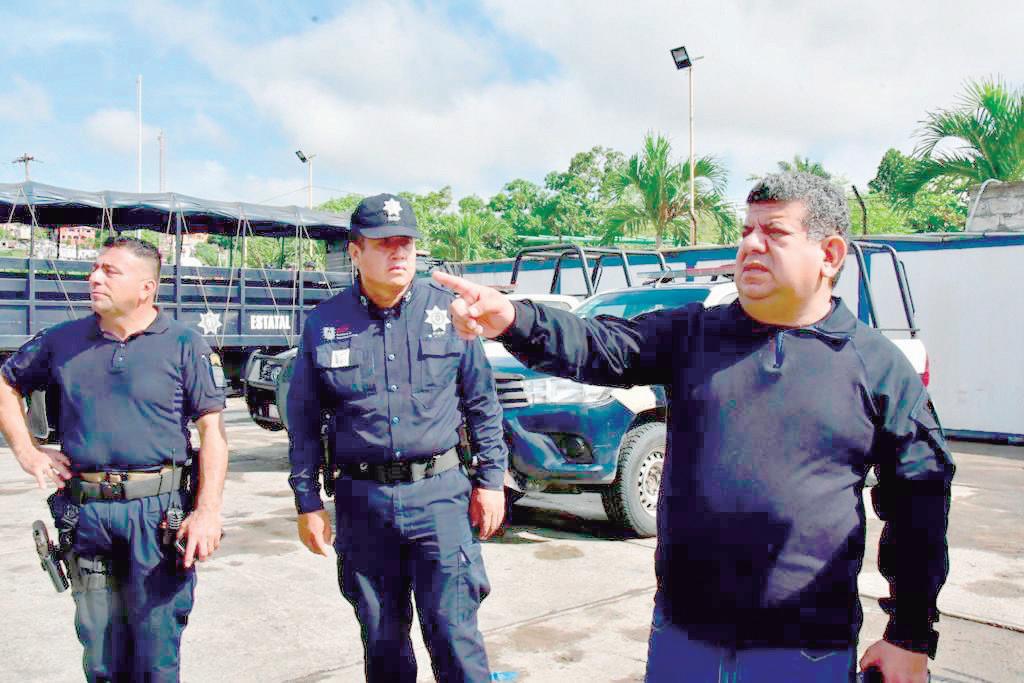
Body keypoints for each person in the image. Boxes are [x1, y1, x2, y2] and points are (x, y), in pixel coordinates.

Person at [434, 172, 954, 683]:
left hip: (805, 649)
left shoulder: (876, 367)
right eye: (746, 230)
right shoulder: (695, 335)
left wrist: (910, 636)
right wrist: (513, 319)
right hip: (683, 638)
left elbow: (920, 505)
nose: (750, 245)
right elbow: (599, 344)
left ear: (830, 255)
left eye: (774, 232)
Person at [286, 193, 507, 683]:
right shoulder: (325, 324)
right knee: (383, 642)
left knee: (455, 636)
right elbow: (303, 421)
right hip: (363, 504)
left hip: (440, 498)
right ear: (355, 251)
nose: (399, 252)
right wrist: (307, 502)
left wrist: (491, 480)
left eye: (405, 242)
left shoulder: (449, 312)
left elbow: (482, 404)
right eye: (384, 243)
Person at [0, 235, 228, 682]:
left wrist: (208, 511)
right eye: (95, 268)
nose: (94, 278)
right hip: (88, 516)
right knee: (102, 656)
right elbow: (6, 384)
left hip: (158, 517)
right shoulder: (63, 341)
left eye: (110, 271)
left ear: (146, 288)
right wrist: (27, 451)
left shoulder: (184, 344)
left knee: (156, 656)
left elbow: (214, 434)